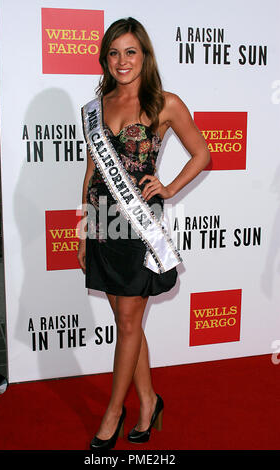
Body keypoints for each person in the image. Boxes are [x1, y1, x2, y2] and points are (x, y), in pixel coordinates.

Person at [78, 17, 210, 451]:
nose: (122, 60)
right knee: (126, 320)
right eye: (114, 52)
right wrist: (83, 230)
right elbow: (93, 169)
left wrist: (169, 187)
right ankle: (149, 400)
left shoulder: (164, 102)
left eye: (130, 51)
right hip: (102, 221)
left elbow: (202, 153)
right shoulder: (100, 103)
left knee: (130, 320)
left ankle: (113, 413)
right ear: (105, 58)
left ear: (145, 55)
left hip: (139, 226)